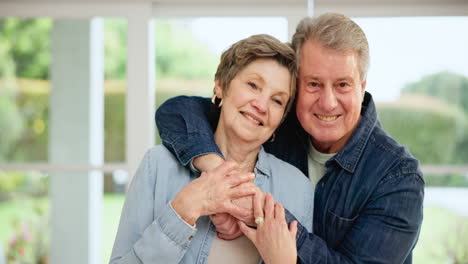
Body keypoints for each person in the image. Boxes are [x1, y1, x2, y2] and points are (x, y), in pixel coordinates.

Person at [155, 13, 425, 263]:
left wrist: (258, 212)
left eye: (342, 84)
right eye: (313, 84)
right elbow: (178, 112)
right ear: (296, 86)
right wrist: (220, 176)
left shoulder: (397, 177)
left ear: (362, 86)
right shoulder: (276, 122)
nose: (328, 103)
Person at [110, 34, 314, 264]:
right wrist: (184, 210)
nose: (261, 105)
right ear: (220, 85)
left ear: (281, 119)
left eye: (277, 101)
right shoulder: (157, 165)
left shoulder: (298, 188)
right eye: (253, 85)